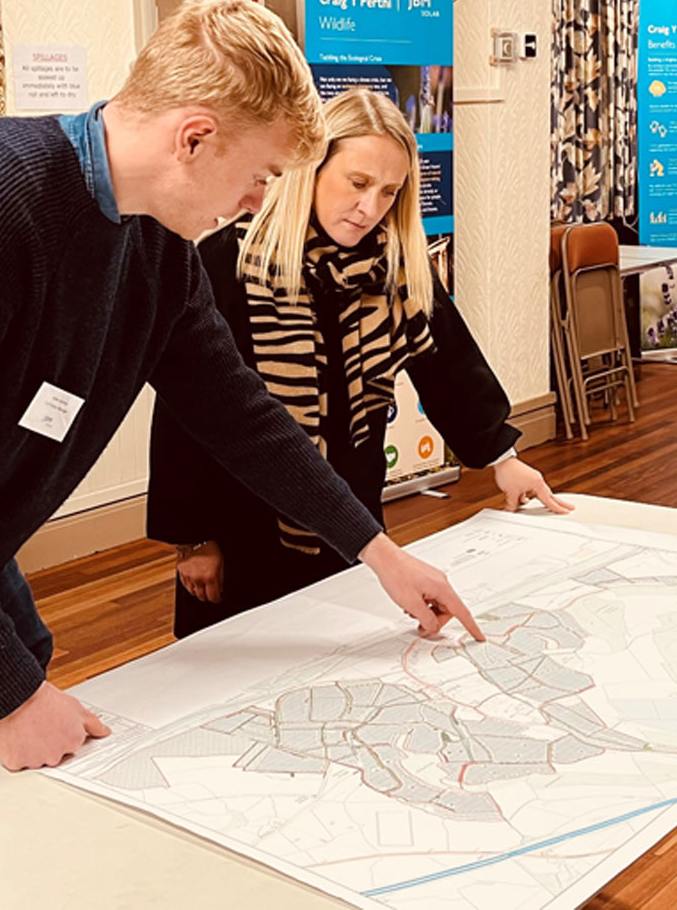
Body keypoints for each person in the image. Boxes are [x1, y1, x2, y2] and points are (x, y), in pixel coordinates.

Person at [0, 1, 484, 825]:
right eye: (258, 174)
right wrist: (10, 696)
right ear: (194, 138)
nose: (257, 201)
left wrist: (378, 553)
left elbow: (242, 417)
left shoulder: (155, 246)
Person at [148, 88, 571, 638]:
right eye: (358, 183)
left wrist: (502, 458)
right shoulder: (231, 261)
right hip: (243, 523)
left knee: (335, 654)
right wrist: (194, 538)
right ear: (311, 168)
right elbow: (186, 409)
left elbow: (450, 366)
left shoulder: (395, 265)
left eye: (389, 192)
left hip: (351, 512)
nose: (370, 207)